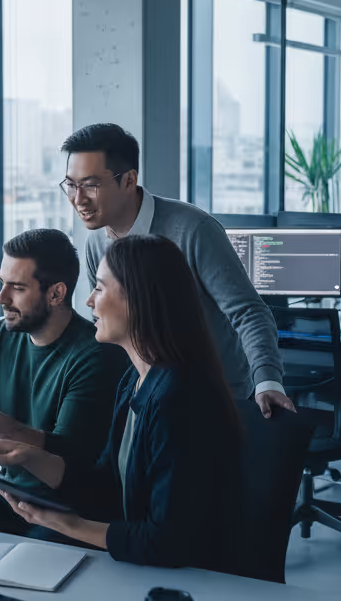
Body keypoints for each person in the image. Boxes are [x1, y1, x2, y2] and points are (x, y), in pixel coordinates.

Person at [0, 234, 240, 573]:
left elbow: (166, 543)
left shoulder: (178, 399)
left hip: (182, 578)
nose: (89, 300)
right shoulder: (135, 380)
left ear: (139, 300)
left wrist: (65, 524)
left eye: (100, 289)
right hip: (136, 557)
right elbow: (104, 483)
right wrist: (31, 457)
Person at [60, 123, 294, 420]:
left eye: (91, 185)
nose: (78, 199)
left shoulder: (194, 230)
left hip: (216, 397)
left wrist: (267, 380)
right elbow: (109, 323)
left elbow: (248, 312)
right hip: (147, 397)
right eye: (71, 185)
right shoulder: (96, 242)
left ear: (129, 180)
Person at [0, 228, 128, 536]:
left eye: (17, 288)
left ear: (56, 294)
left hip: (66, 512)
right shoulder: (0, 336)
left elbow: (66, 459)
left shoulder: (96, 355)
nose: (1, 298)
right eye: (2, 283)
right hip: (7, 496)